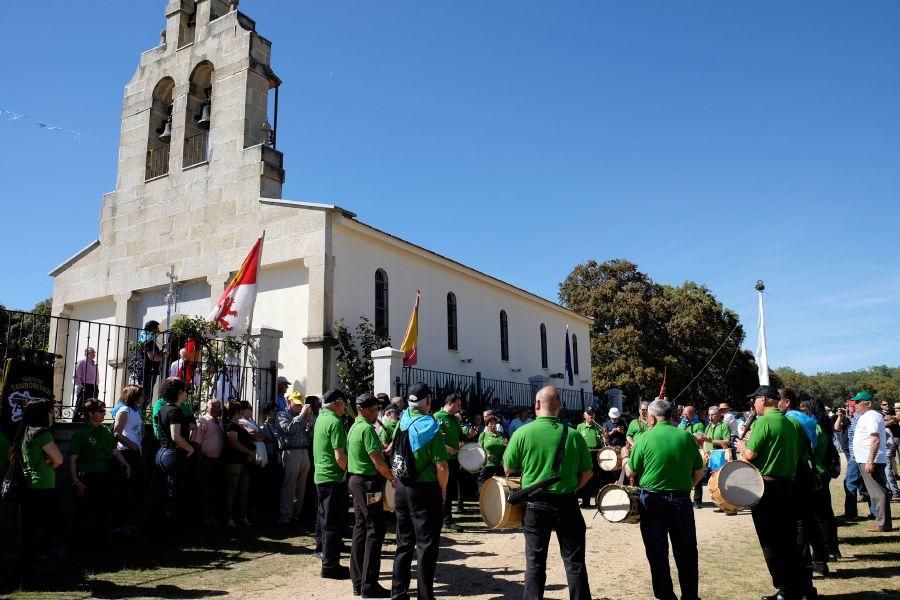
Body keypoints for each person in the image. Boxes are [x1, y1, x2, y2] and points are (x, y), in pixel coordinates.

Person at [504, 386, 592, 600]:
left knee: (534, 563)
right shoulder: (574, 435)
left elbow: (508, 469)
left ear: (536, 405)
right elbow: (588, 473)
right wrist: (572, 488)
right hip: (567, 503)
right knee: (574, 562)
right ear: (560, 407)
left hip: (535, 505)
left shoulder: (522, 432)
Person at [736, 385, 813, 600]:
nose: (753, 404)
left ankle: (785, 589)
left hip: (767, 488)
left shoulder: (763, 422)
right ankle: (799, 587)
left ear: (763, 400)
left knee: (771, 541)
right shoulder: (790, 423)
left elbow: (750, 455)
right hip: (789, 485)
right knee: (789, 540)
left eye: (755, 400)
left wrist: (742, 446)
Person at [623, 399, 704, 600]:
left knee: (657, 552)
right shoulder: (686, 437)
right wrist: (686, 486)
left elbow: (631, 471)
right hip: (681, 501)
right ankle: (690, 596)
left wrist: (625, 457)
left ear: (651, 417)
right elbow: (699, 472)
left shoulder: (644, 438)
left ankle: (666, 595)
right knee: (686, 552)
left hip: (652, 502)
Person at [391, 383, 449, 600]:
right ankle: (425, 596)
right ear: (428, 401)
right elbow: (441, 466)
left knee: (403, 543)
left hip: (402, 487)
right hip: (424, 491)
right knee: (426, 545)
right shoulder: (430, 428)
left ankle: (398, 593)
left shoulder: (403, 420)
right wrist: (442, 489)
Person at [347, 393, 395, 598]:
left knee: (361, 529)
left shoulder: (354, 426)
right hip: (368, 483)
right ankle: (369, 585)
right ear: (365, 410)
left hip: (356, 481)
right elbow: (377, 460)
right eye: (374, 409)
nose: (377, 413)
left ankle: (358, 582)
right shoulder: (367, 429)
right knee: (375, 530)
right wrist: (392, 478)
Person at [69, 399, 131, 549]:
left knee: (103, 511)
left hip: (104, 477)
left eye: (104, 411)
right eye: (101, 411)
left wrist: (125, 463)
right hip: (87, 477)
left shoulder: (105, 431)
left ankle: (100, 545)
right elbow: (72, 460)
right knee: (84, 512)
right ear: (91, 414)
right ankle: (80, 546)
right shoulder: (82, 434)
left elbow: (114, 451)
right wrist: (75, 480)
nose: (104, 413)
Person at [780, 389, 828, 577]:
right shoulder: (806, 420)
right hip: (809, 470)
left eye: (778, 401)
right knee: (810, 518)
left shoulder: (791, 421)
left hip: (797, 471)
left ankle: (804, 565)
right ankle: (820, 560)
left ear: (787, 403)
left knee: (799, 522)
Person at [17, 398, 63, 585]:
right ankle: (29, 562)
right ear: (42, 414)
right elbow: (59, 459)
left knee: (28, 532)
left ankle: (24, 571)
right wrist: (51, 461)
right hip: (43, 487)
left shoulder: (25, 431)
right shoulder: (42, 433)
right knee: (53, 528)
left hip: (29, 487)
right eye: (50, 412)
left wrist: (49, 460)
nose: (52, 415)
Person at [313, 388, 350, 579]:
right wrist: (346, 471)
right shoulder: (334, 422)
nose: (345, 407)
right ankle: (330, 565)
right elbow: (340, 455)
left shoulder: (321, 417)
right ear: (337, 402)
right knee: (333, 523)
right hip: (333, 477)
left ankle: (326, 559)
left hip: (321, 475)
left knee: (324, 519)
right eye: (344, 403)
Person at [800, 399, 841, 561]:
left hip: (816, 473)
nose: (800, 411)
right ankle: (832, 548)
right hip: (822, 472)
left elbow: (811, 450)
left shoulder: (814, 428)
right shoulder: (822, 425)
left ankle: (828, 549)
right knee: (825, 513)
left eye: (803, 408)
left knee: (821, 515)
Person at [154, 377, 194, 526]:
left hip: (162, 453)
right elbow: (175, 436)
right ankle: (171, 529)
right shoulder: (175, 411)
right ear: (178, 392)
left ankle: (163, 525)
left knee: (164, 492)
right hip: (173, 455)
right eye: (184, 390)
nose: (185, 393)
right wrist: (190, 448)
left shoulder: (163, 409)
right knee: (174, 494)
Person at [852, 393, 892, 532]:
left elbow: (875, 439)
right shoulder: (868, 416)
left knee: (878, 492)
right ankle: (883, 522)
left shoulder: (871, 416)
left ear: (868, 403)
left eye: (858, 401)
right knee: (877, 491)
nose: (855, 404)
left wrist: (870, 460)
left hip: (870, 459)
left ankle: (883, 523)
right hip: (866, 458)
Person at [277, 391, 313, 526]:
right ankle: (285, 516)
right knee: (289, 486)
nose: (298, 407)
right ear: (288, 402)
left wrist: (310, 424)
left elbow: (307, 436)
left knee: (301, 487)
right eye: (296, 404)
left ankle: (296, 516)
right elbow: (288, 428)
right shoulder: (282, 414)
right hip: (291, 452)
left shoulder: (301, 416)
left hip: (303, 451)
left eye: (300, 405)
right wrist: (302, 415)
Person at [112, 385, 144, 532]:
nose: (144, 398)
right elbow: (117, 433)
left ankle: (129, 522)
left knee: (133, 489)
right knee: (124, 489)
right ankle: (119, 523)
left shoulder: (135, 411)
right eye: (141, 395)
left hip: (135, 453)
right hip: (126, 453)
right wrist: (132, 446)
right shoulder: (124, 410)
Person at [191, 398, 224, 526]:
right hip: (205, 460)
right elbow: (195, 443)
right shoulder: (202, 421)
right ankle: (203, 518)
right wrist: (200, 459)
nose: (216, 409)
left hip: (217, 461)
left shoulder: (219, 422)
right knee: (204, 490)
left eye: (218, 406)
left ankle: (211, 516)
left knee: (214, 490)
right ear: (207, 407)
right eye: (214, 406)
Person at [223, 400, 255, 527]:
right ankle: (228, 517)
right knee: (231, 492)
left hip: (244, 462)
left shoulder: (238, 425)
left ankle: (242, 517)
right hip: (233, 461)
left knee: (243, 491)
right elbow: (234, 443)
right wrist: (249, 452)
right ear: (239, 411)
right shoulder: (231, 425)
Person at [434, 393, 464, 528]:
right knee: (442, 489)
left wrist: (470, 435)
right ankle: (444, 519)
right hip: (443, 460)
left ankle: (447, 518)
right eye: (458, 404)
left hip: (454, 460)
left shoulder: (455, 419)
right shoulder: (437, 416)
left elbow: (461, 436)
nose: (460, 407)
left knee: (450, 490)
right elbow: (435, 439)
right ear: (450, 403)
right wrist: (448, 449)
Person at [694, 406, 730, 509]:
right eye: (709, 414)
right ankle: (698, 501)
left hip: (719, 455)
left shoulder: (724, 426)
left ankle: (722, 503)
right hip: (708, 455)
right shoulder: (708, 426)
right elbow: (705, 441)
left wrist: (711, 441)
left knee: (719, 480)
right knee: (699, 475)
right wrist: (705, 452)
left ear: (719, 415)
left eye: (713, 414)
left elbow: (726, 442)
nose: (710, 416)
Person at [576, 408, 603, 509]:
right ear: (585, 415)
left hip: (595, 453)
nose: (590, 416)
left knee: (595, 478)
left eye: (592, 414)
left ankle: (597, 501)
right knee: (584, 476)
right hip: (584, 454)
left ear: (594, 415)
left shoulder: (597, 427)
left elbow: (603, 440)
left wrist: (605, 435)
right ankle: (585, 501)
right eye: (589, 414)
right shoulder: (580, 427)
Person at [477, 415, 507, 493]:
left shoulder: (501, 435)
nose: (493, 425)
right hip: (486, 466)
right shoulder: (483, 435)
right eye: (490, 424)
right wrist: (487, 456)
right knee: (483, 488)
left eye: (494, 423)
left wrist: (506, 444)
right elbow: (479, 449)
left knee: (500, 489)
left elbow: (506, 449)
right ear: (487, 425)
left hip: (499, 466)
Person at [136, 321, 162, 403]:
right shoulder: (148, 340)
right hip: (148, 370)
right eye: (157, 328)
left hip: (145, 369)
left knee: (144, 393)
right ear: (153, 329)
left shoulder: (145, 338)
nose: (159, 330)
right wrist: (164, 356)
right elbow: (153, 357)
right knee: (145, 395)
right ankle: (141, 413)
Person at [73, 347, 98, 422]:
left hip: (93, 386)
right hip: (84, 385)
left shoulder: (95, 364)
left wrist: (96, 385)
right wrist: (80, 386)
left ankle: (88, 420)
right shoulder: (82, 362)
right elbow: (76, 376)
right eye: (92, 352)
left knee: (92, 405)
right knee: (81, 404)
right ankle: (76, 421)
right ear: (87, 354)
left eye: (94, 352)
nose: (94, 354)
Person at [880, 399, 899, 497]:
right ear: (881, 405)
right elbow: (884, 424)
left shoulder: (893, 412)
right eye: (884, 404)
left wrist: (891, 418)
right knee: (888, 467)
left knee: (890, 466)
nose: (887, 405)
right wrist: (894, 419)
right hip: (888, 443)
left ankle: (893, 490)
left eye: (888, 404)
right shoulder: (879, 414)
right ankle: (894, 491)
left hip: (897, 438)